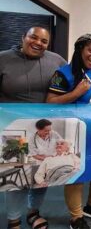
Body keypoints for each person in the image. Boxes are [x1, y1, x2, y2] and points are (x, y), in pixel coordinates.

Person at [47, 34, 91, 229]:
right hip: (73, 131)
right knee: (77, 173)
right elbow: (49, 103)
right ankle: (76, 216)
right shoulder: (63, 73)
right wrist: (75, 94)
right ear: (80, 50)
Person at [0, 26, 66, 229]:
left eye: (44, 41)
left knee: (41, 174)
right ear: (23, 37)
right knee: (17, 174)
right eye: (33, 37)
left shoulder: (56, 60)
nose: (38, 43)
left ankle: (33, 212)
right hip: (13, 130)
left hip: (42, 126)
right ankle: (13, 220)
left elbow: (71, 84)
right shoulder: (3, 58)